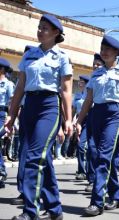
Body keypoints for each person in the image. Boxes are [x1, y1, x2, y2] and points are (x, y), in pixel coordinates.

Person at [6, 14, 73, 220]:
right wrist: (12, 115)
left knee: (35, 158)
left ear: (55, 33)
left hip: (49, 107)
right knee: (40, 159)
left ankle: (30, 211)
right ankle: (54, 209)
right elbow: (19, 88)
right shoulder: (29, 55)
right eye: (39, 27)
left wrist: (68, 119)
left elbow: (66, 90)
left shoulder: (62, 57)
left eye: (45, 28)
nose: (40, 30)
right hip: (29, 107)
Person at [76, 35, 119, 216]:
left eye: (108, 49)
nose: (104, 51)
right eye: (103, 48)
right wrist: (78, 121)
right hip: (96, 114)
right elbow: (88, 100)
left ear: (117, 53)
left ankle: (97, 201)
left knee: (103, 157)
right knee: (97, 154)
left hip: (114, 114)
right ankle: (117, 196)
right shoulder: (96, 74)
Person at [85, 53, 105, 192]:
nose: (96, 66)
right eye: (94, 64)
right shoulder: (92, 78)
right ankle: (92, 179)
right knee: (91, 148)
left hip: (105, 114)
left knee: (102, 149)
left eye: (98, 64)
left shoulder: (106, 77)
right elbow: (87, 99)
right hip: (91, 114)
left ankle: (103, 179)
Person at [0, 57, 14, 189]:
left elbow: (12, 104)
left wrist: (13, 120)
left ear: (2, 69)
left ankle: (1, 170)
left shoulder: (9, 84)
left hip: (3, 115)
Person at [73, 75, 90, 180]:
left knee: (83, 145)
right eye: (79, 82)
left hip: (89, 119)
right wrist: (72, 121)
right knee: (80, 145)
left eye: (82, 82)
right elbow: (74, 109)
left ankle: (86, 170)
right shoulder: (78, 95)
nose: (79, 84)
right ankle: (81, 170)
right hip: (80, 119)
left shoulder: (89, 94)